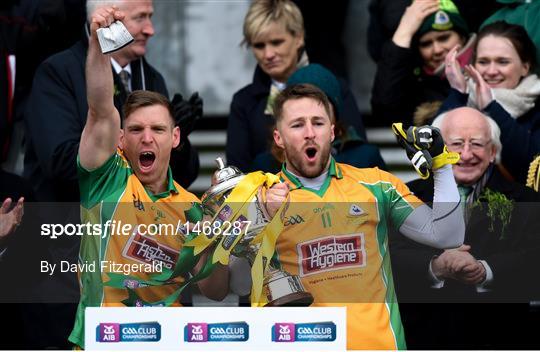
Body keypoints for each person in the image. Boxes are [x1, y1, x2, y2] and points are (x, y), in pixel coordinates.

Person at [67, 6, 227, 349]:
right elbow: (99, 108)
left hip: (168, 341)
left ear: (176, 138)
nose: (147, 138)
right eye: (136, 129)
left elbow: (215, 292)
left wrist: (214, 239)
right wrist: (98, 46)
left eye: (158, 129)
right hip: (104, 339)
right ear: (121, 140)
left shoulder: (192, 208)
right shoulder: (106, 178)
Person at [264, 83, 465, 349]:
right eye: (297, 125)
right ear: (279, 137)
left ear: (332, 131)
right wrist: (260, 219)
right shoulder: (262, 197)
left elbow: (448, 235)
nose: (310, 133)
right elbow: (229, 284)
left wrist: (440, 165)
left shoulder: (377, 184)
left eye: (318, 123)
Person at [390, 107, 540, 348]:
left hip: (500, 336)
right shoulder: (405, 195)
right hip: (423, 336)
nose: (466, 154)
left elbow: (534, 258)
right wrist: (435, 266)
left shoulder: (527, 201)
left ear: (493, 152)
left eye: (477, 144)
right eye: (456, 143)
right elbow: (390, 254)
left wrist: (485, 270)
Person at [24, 0, 200, 202]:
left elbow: (181, 178)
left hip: (140, 226)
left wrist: (178, 143)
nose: (150, 30)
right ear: (106, 18)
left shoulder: (152, 78)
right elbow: (61, 163)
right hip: (70, 224)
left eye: (150, 17)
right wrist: (141, 148)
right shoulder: (58, 73)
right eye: (140, 18)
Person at [227, 0, 366, 172]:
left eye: (277, 42)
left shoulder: (334, 88)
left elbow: (359, 154)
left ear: (299, 38)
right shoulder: (244, 102)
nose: (268, 54)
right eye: (259, 45)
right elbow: (239, 171)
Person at [441, 21, 540, 183]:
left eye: (503, 62)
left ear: (525, 67)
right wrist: (458, 92)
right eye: (483, 62)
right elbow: (429, 158)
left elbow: (532, 169)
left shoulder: (537, 110)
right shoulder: (460, 99)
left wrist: (491, 108)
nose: (491, 71)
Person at [251, 63, 386, 173]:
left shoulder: (366, 158)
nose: (309, 133)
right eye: (298, 124)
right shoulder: (265, 165)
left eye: (320, 103)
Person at [371, 0, 474, 126]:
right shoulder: (417, 87)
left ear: (462, 37)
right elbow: (383, 109)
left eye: (444, 38)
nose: (437, 50)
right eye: (426, 44)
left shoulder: (489, 69)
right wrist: (404, 32)